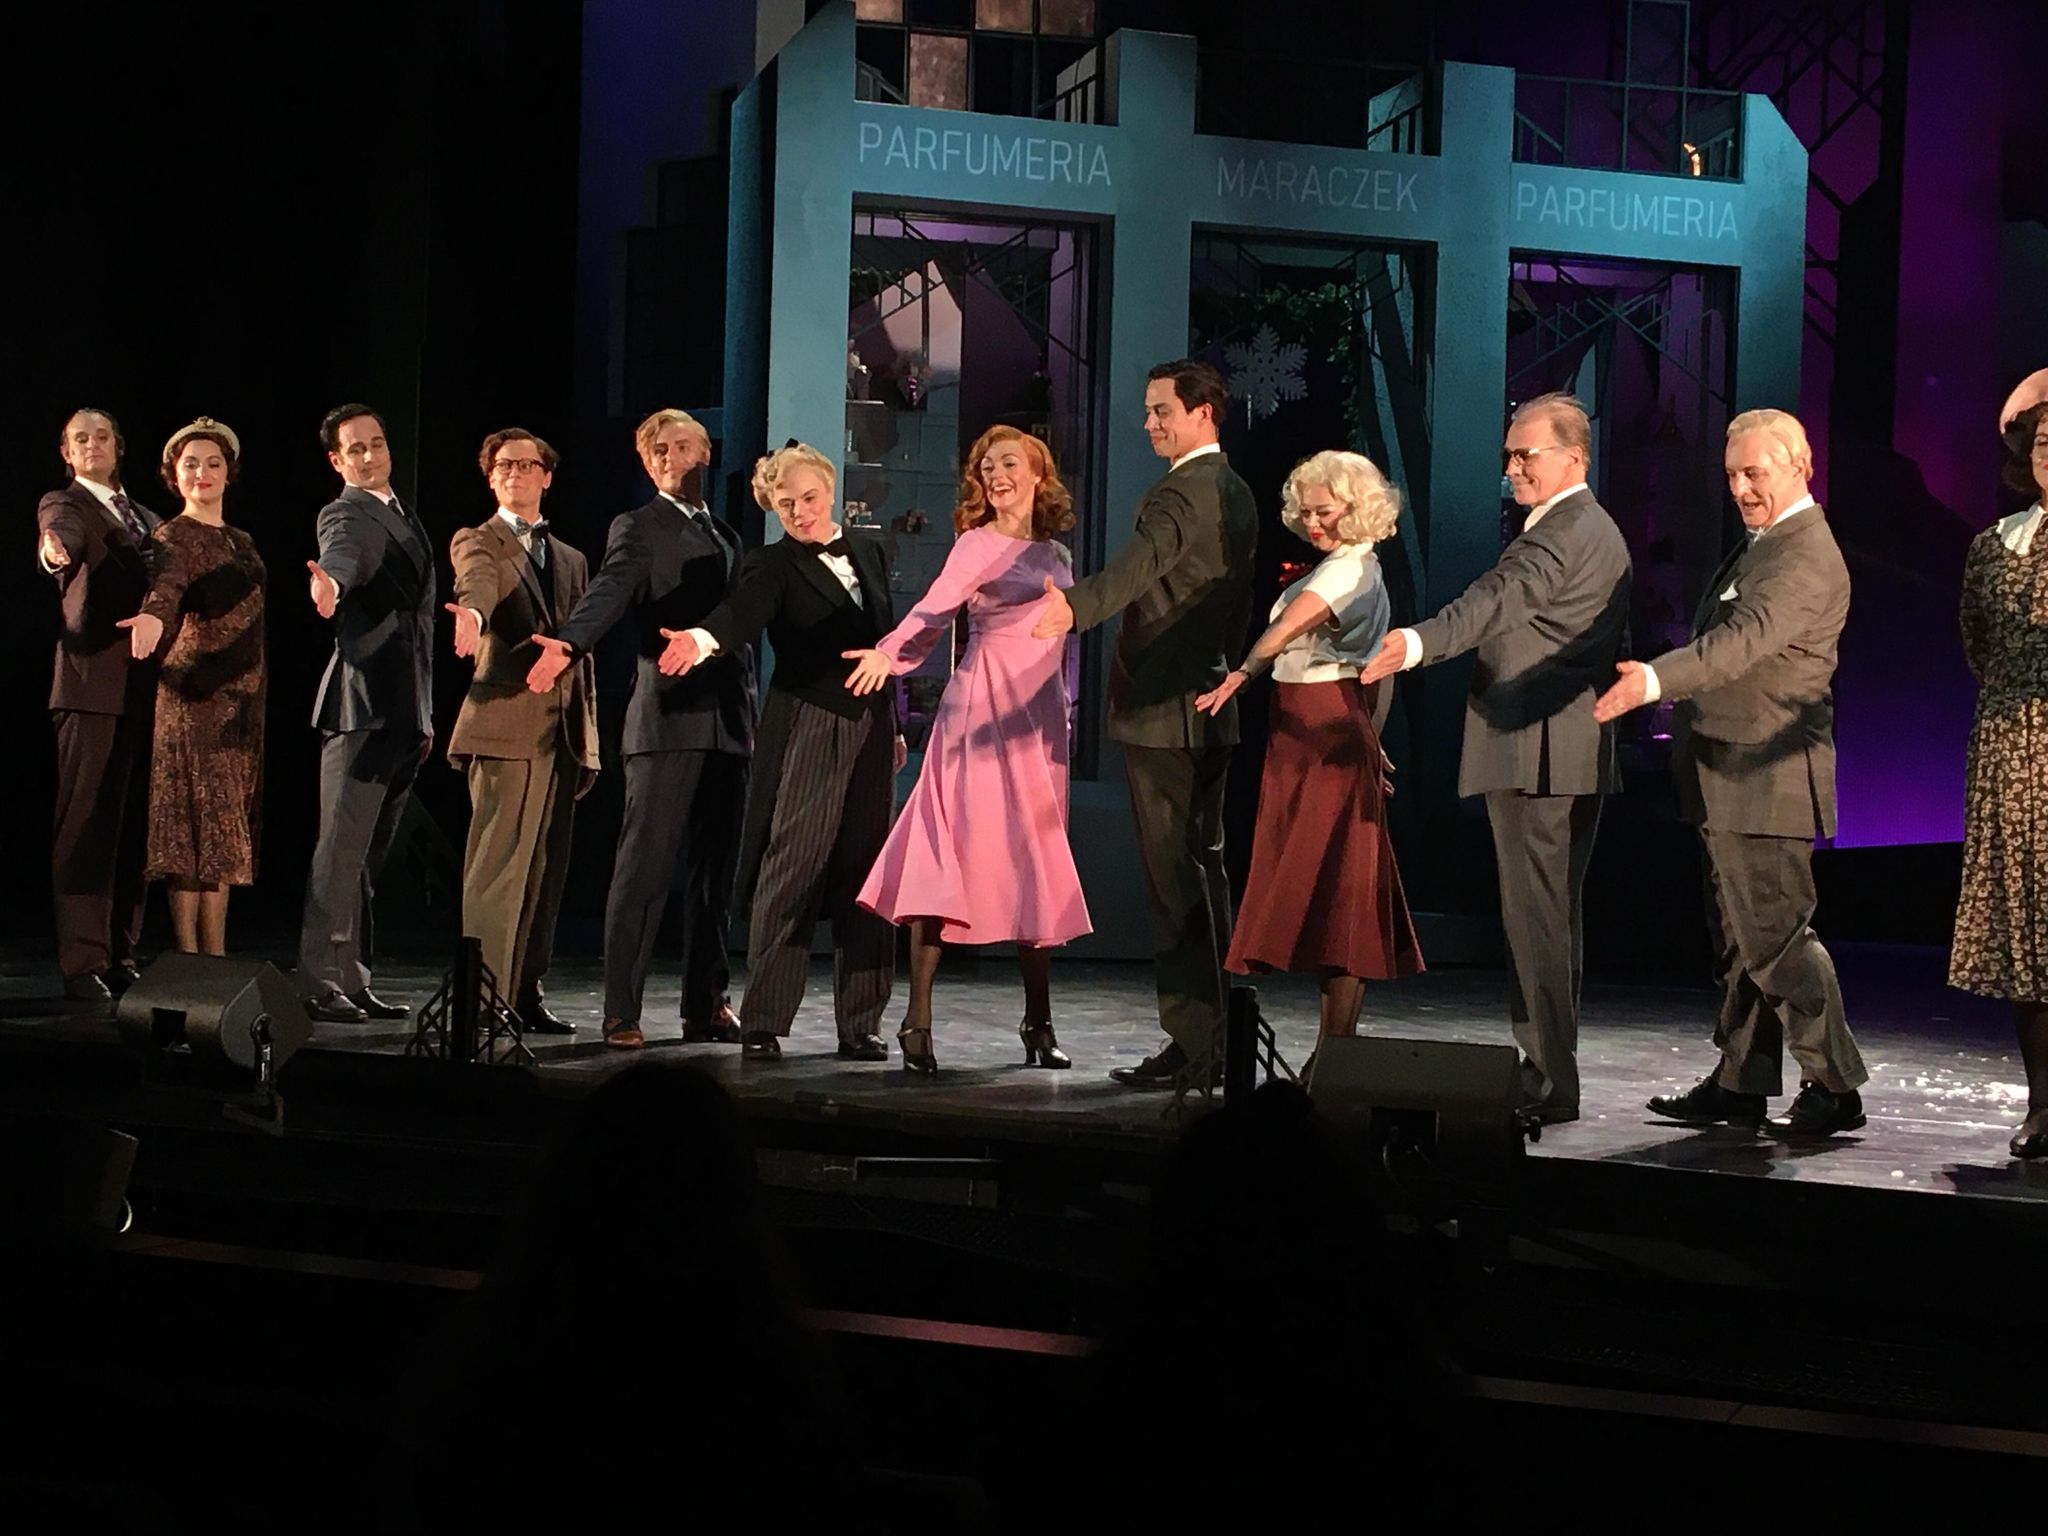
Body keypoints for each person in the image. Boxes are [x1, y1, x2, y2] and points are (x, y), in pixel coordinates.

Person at [1358, 391, 1630, 1125]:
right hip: (1565, 750)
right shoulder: (1594, 529)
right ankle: (1549, 1071)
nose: (1511, 467)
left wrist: (1418, 642)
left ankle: (1548, 1081)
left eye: (1525, 454)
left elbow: (1496, 598)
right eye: (1508, 454)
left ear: (1574, 457)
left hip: (1538, 751)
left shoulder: (1561, 534)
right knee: (1549, 920)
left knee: (1537, 922)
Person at [1595, 408, 1868, 1136]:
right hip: (1727, 774)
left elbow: (1740, 643)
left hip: (1767, 775)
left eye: (1755, 473)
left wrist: (1654, 681)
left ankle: (1834, 1085)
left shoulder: (1804, 555)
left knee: (1777, 941)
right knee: (1741, 945)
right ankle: (1741, 1081)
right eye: (1732, 475)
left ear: (1800, 466)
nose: (1742, 488)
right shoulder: (1768, 544)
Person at [1031, 359, 1258, 1091]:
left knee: (1175, 882)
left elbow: (1142, 562)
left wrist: (1076, 606)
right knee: (1203, 875)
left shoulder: (1181, 492)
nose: (1149, 423)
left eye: (1162, 410)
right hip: (1207, 708)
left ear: (1203, 413)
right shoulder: (1236, 491)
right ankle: (1216, 1038)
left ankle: (1198, 1043)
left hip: (1165, 713)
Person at [843, 426, 1091, 1074]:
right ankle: (917, 1019)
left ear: (1038, 473)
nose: (996, 475)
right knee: (945, 851)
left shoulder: (1057, 555)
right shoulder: (977, 544)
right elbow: (934, 610)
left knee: (1035, 859)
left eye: (1008, 463)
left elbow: (1068, 645)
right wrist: (889, 654)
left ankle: (1038, 1021)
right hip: (980, 708)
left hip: (1038, 720)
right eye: (986, 468)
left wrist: (1066, 715)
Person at [656, 443, 904, 1062]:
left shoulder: (869, 552)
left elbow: (884, 642)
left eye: (809, 498)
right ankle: (764, 1019)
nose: (800, 512)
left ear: (831, 488)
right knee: (793, 866)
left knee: (868, 872)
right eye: (785, 505)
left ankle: (861, 1023)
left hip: (872, 727)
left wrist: (895, 727)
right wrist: (702, 638)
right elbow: (741, 614)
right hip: (810, 722)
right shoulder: (772, 564)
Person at [526, 410, 755, 1050]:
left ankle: (707, 1006)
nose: (669, 457)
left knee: (715, 877)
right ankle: (621, 1010)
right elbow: (609, 590)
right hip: (667, 719)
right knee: (644, 873)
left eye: (682, 446)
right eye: (658, 450)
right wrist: (570, 642)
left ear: (705, 453)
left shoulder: (727, 534)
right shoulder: (639, 526)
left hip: (730, 722)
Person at [1195, 451, 1422, 1079]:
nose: (1314, 522)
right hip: (1313, 728)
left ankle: (1335, 1053)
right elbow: (1374, 672)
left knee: (1342, 890)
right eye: (1308, 512)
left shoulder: (1348, 570)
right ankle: (1333, 1050)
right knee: (1331, 889)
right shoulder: (1350, 565)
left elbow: (1291, 628)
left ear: (1357, 507)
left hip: (1320, 729)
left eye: (1326, 511)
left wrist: (1243, 672)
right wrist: (1370, 735)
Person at [446, 429, 598, 1035]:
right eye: (503, 466)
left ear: (547, 476)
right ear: (490, 478)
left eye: (526, 464)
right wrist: (472, 614)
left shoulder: (571, 558)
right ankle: (482, 1000)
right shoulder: (479, 540)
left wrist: (587, 735)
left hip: (560, 733)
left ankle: (524, 993)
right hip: (504, 725)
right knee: (498, 871)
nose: (515, 473)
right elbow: (478, 582)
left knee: (543, 873)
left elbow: (579, 647)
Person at [299, 404, 436, 1024]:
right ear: (337, 460)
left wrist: (425, 715)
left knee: (366, 859)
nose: (370, 455)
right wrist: (329, 584)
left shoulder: (402, 514)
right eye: (355, 448)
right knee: (339, 852)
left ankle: (352, 977)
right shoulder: (346, 513)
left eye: (376, 443)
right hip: (361, 706)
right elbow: (342, 558)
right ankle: (319, 980)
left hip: (404, 712)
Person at [116, 419, 266, 957]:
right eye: (191, 464)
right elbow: (166, 586)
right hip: (193, 699)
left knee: (223, 833)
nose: (202, 473)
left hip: (240, 704)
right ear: (173, 475)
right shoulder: (172, 536)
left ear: (229, 472)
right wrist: (152, 618)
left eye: (213, 463)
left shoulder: (241, 541)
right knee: (188, 831)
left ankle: (215, 958)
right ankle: (188, 961)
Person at [1951, 372, 2048, 1159]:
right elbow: (1977, 643)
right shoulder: (1995, 543)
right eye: (2043, 441)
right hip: (2011, 753)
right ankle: (2044, 1102)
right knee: (2024, 934)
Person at [36, 408, 161, 1003]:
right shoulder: (66, 504)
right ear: (67, 453)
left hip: (147, 691)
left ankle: (120, 952)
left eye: (102, 436)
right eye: (80, 439)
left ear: (118, 446)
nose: (92, 445)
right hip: (90, 687)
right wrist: (54, 550)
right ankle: (83, 959)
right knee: (85, 825)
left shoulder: (149, 519)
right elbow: (59, 534)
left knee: (133, 825)